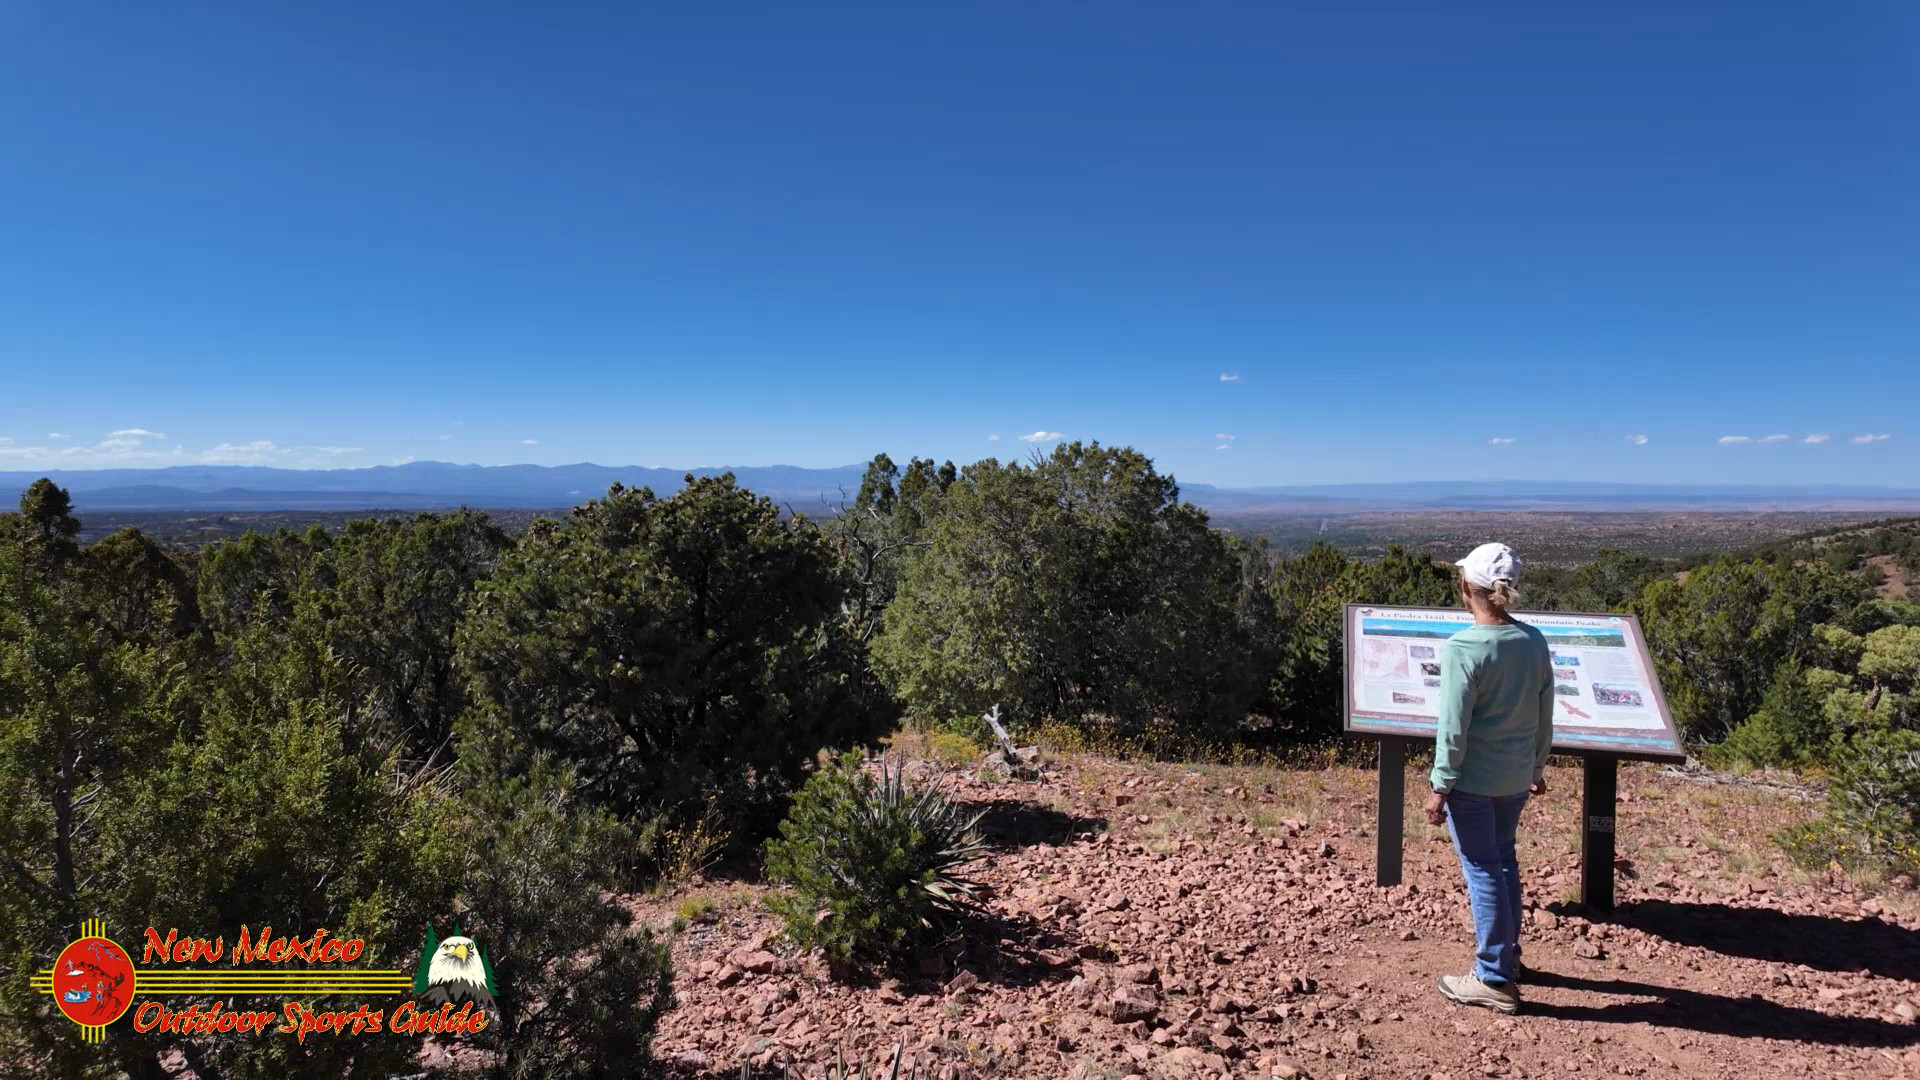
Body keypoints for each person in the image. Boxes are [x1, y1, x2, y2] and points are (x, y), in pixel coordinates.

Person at [1421, 542, 1554, 1015]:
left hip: (1473, 780)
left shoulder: (1463, 648)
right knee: (1503, 862)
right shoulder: (1533, 641)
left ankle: (1494, 977)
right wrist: (1537, 767)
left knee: (1483, 870)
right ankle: (1508, 958)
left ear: (1465, 588)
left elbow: (1453, 728)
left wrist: (1440, 786)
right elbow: (1544, 712)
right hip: (1515, 776)